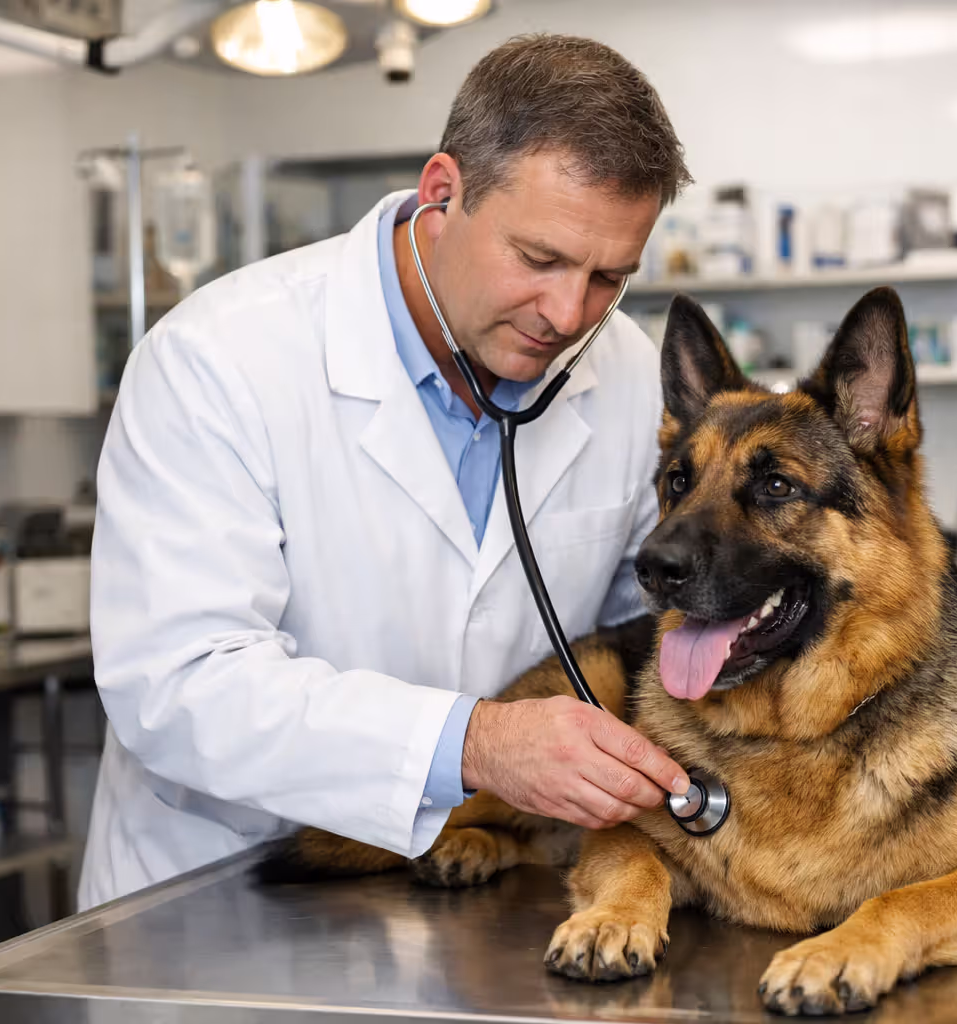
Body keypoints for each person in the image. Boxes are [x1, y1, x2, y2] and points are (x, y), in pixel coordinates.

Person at [78, 34, 695, 910]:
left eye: (609, 278)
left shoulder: (623, 368)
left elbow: (648, 620)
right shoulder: (217, 359)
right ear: (443, 193)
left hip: (486, 898)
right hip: (229, 906)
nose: (568, 314)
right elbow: (180, 686)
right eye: (540, 260)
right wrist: (475, 744)